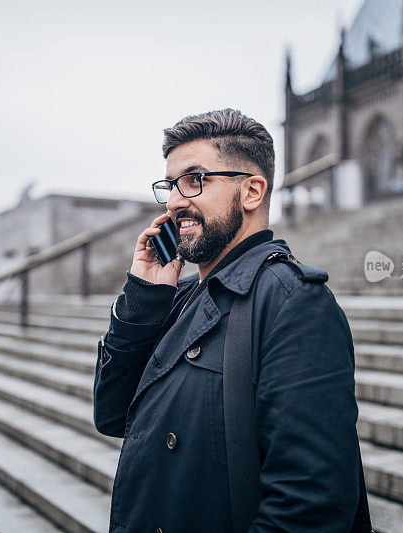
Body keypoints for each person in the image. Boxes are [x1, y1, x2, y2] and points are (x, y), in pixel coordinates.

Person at [93, 109, 363, 531]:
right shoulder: (176, 298)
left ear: (252, 191)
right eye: (170, 185)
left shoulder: (295, 304)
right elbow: (111, 414)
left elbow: (309, 506)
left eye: (194, 180)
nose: (175, 201)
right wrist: (143, 299)